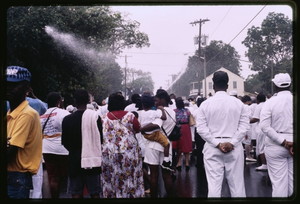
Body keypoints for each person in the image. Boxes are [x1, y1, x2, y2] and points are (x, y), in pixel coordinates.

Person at [196, 70, 249, 198]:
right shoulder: (238, 103)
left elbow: (201, 129)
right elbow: (244, 127)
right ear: (227, 85)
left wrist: (217, 144)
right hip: (234, 147)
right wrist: (232, 143)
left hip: (212, 147)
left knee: (214, 187)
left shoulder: (205, 104)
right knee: (237, 186)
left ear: (213, 85)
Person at [6, 66, 43, 199]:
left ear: (27, 89)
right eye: (6, 84)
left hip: (16, 179)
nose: (8, 88)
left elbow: (10, 152)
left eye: (14, 85)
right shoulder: (10, 114)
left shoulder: (27, 114)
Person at [101, 92, 144, 198]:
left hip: (109, 153)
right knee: (130, 176)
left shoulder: (103, 118)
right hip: (128, 153)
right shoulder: (130, 116)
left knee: (111, 177)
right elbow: (138, 129)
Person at [62, 89, 102, 198]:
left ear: (75, 101)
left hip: (74, 159)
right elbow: (100, 140)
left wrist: (75, 150)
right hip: (92, 160)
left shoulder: (67, 119)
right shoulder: (95, 117)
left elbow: (64, 142)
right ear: (88, 101)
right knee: (95, 193)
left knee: (76, 193)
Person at [260, 73, 293, 197]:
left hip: (276, 145)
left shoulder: (270, 102)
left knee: (279, 184)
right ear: (290, 84)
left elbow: (264, 126)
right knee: (293, 183)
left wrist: (283, 142)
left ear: (275, 86)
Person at [140, 90, 175, 198]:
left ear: (163, 100)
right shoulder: (173, 112)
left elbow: (155, 125)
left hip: (153, 145)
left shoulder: (159, 112)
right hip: (166, 146)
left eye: (156, 100)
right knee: (167, 176)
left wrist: (140, 129)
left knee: (154, 176)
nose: (154, 103)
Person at [40, 92, 70, 198]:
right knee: (68, 177)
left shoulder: (42, 116)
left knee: (54, 178)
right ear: (58, 101)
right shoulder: (63, 113)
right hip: (63, 150)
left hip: (47, 150)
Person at [139, 93, 173, 171]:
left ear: (143, 105)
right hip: (154, 134)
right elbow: (164, 118)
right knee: (166, 143)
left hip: (145, 135)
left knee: (153, 173)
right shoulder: (154, 113)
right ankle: (166, 161)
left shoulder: (142, 113)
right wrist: (162, 109)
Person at [173, 98, 193, 172]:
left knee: (179, 146)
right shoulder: (187, 111)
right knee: (186, 145)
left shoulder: (174, 111)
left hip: (178, 128)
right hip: (186, 128)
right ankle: (187, 163)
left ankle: (179, 163)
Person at [250, 92, 267, 171]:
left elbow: (256, 118)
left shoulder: (259, 106)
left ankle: (264, 164)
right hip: (269, 128)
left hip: (261, 129)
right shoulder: (268, 104)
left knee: (261, 147)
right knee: (267, 146)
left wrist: (246, 122)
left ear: (257, 100)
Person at [242, 95, 256, 162]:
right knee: (247, 142)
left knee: (242, 141)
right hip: (247, 126)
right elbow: (250, 116)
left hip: (241, 126)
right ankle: (248, 155)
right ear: (248, 101)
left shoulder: (240, 106)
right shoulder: (248, 107)